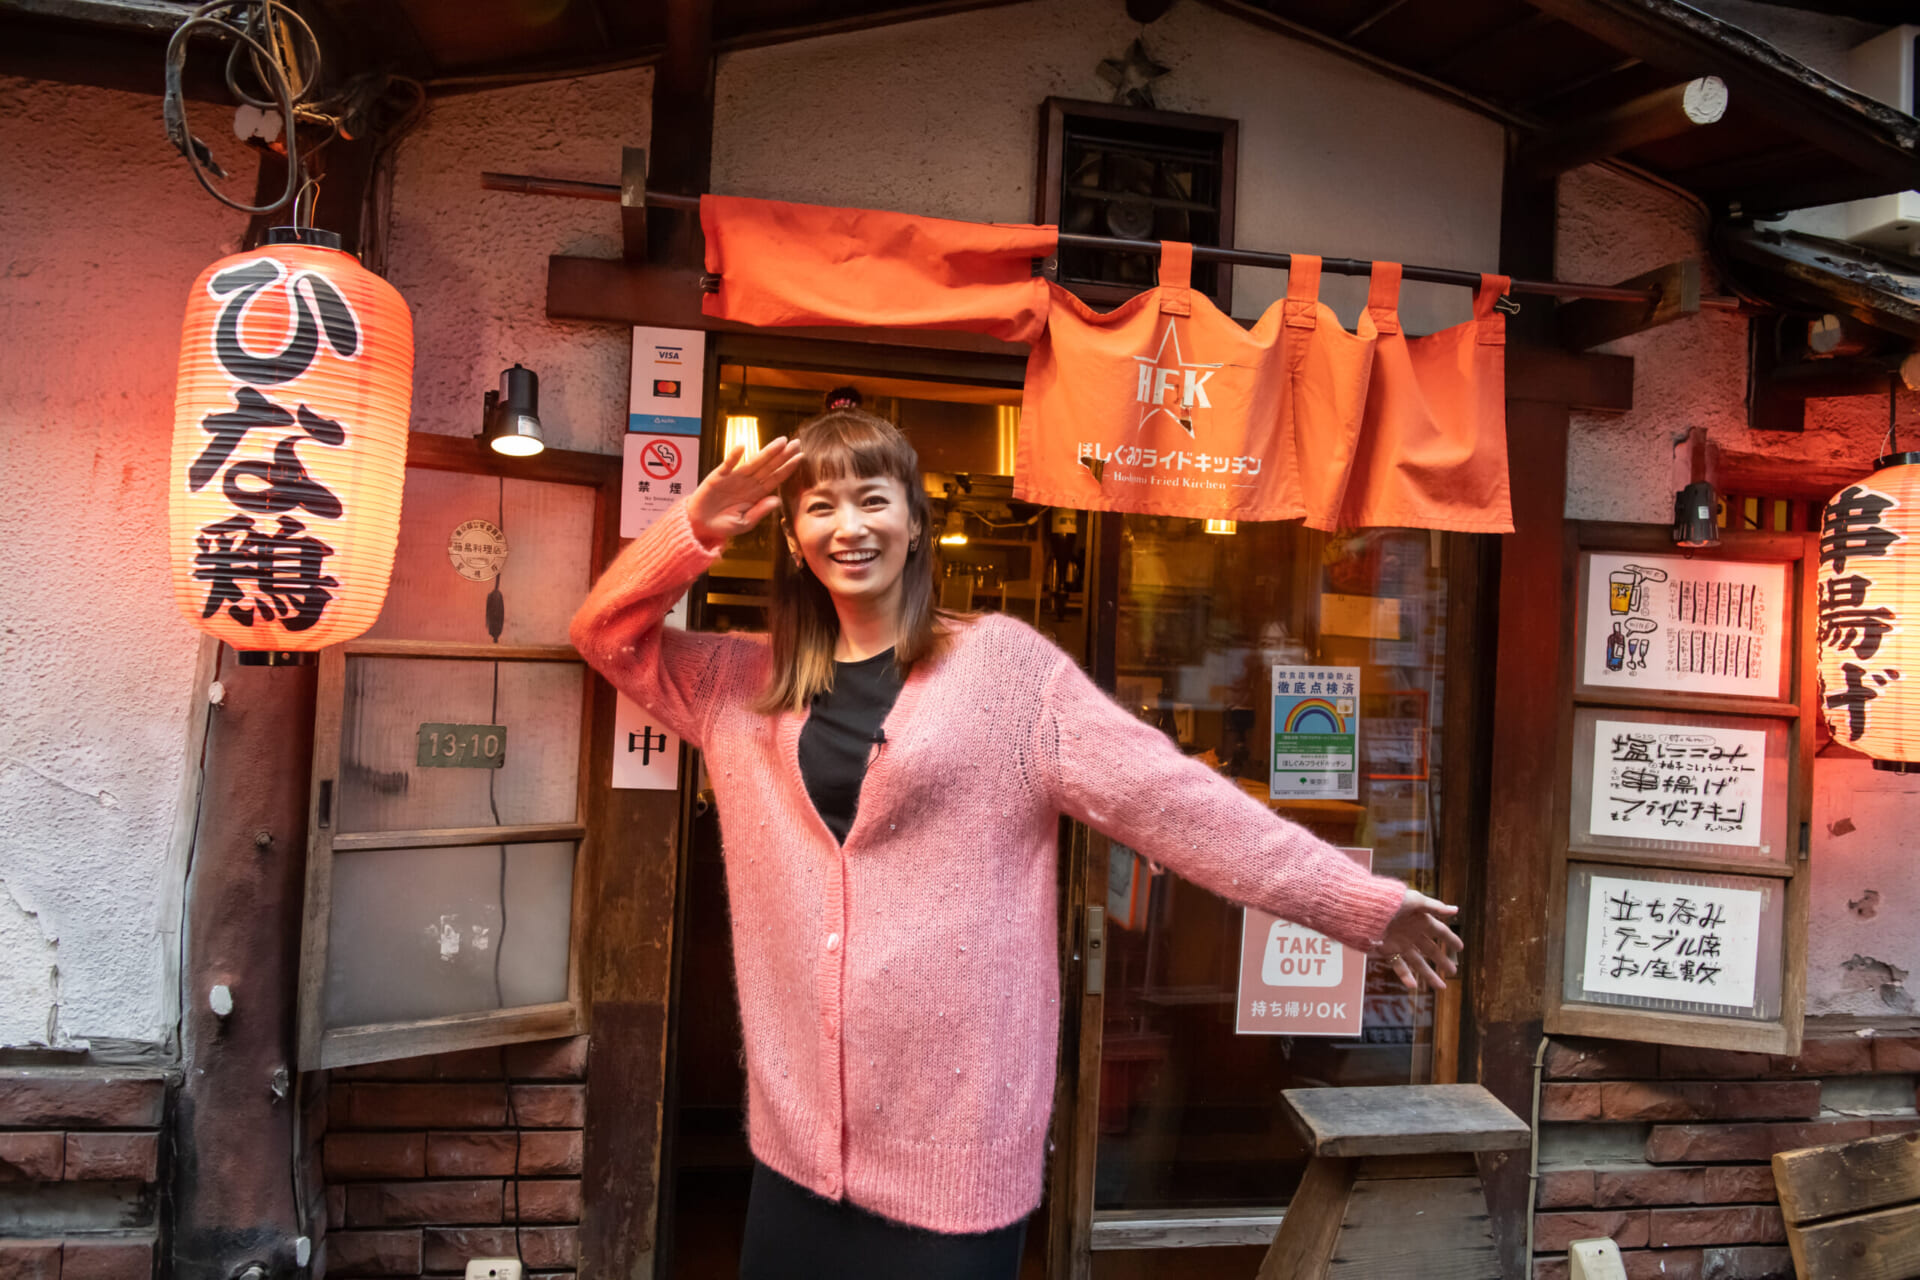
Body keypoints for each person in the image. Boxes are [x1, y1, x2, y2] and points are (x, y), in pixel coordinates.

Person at [569, 409, 1462, 1280]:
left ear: (916, 525)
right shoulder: (739, 683)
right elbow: (604, 632)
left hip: (954, 1148)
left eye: (874, 500)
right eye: (822, 506)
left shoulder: (1002, 671)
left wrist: (1355, 903)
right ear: (794, 535)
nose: (851, 527)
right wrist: (696, 526)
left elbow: (1172, 799)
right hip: (799, 1151)